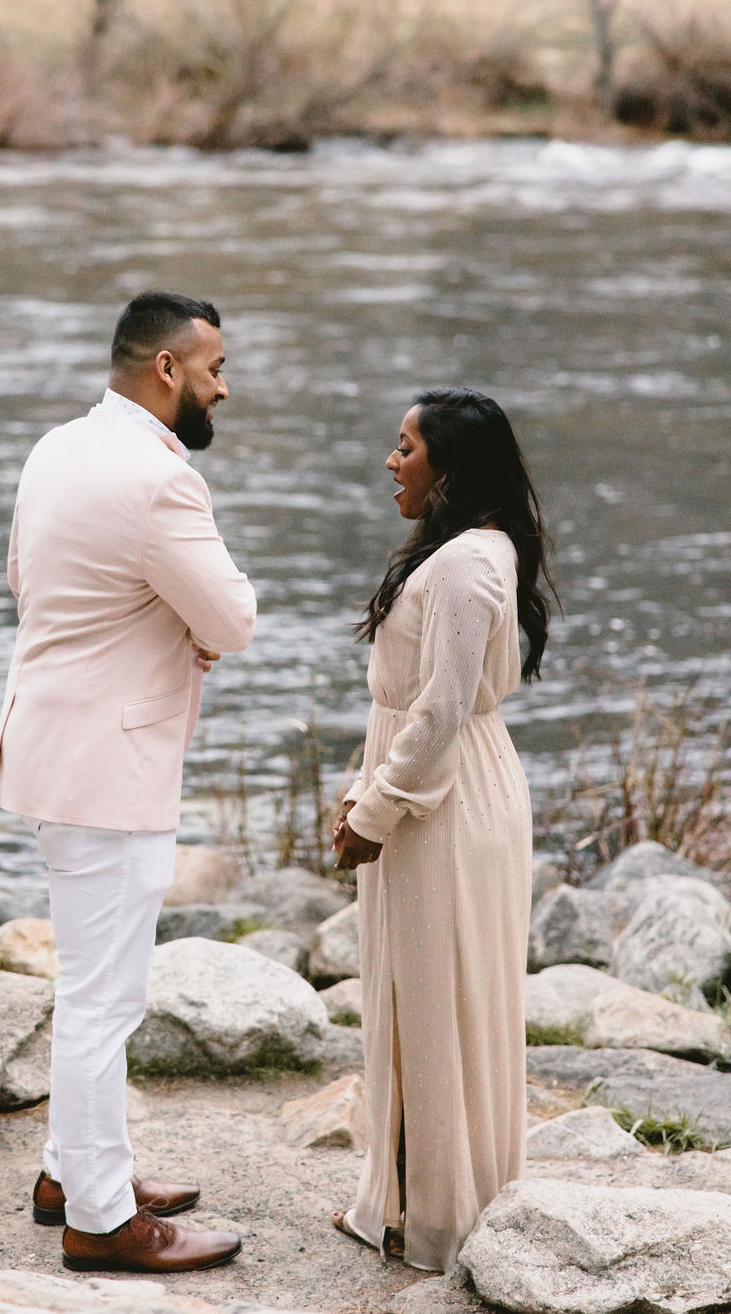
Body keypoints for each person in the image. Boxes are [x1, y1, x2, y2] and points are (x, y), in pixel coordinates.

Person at [0, 291, 256, 1275]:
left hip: (51, 743)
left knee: (88, 987)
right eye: (215, 366)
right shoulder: (159, 478)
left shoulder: (56, 445)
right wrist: (185, 631)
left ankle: (71, 1169)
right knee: (106, 999)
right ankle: (99, 1220)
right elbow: (230, 616)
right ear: (168, 370)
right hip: (112, 762)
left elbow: (31, 581)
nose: (225, 384)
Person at [332, 387, 555, 1274]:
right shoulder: (466, 551)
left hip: (443, 799)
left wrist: (376, 809)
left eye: (406, 447)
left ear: (451, 466)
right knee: (416, 997)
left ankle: (441, 1216)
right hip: (437, 783)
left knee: (437, 1003)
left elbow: (441, 709)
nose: (392, 461)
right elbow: (411, 709)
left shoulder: (466, 564)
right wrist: (364, 785)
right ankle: (409, 1193)